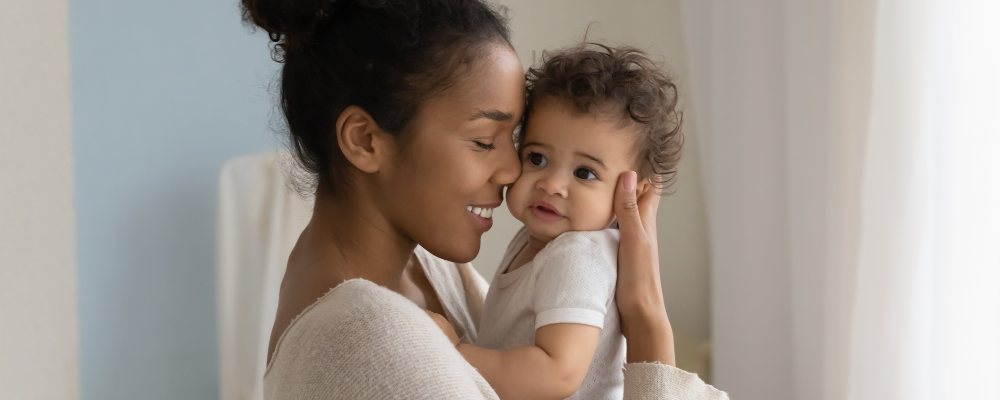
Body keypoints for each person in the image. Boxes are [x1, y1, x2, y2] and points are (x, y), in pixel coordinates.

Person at [239, 0, 727, 398]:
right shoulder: (369, 342)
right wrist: (647, 323)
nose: (514, 169)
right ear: (366, 140)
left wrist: (642, 309)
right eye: (483, 140)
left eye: (512, 138)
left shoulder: (425, 267)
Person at [437, 43, 706, 400]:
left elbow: (556, 374)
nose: (551, 184)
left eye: (584, 172)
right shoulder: (535, 240)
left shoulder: (577, 255)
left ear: (631, 194)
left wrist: (451, 353)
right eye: (537, 158)